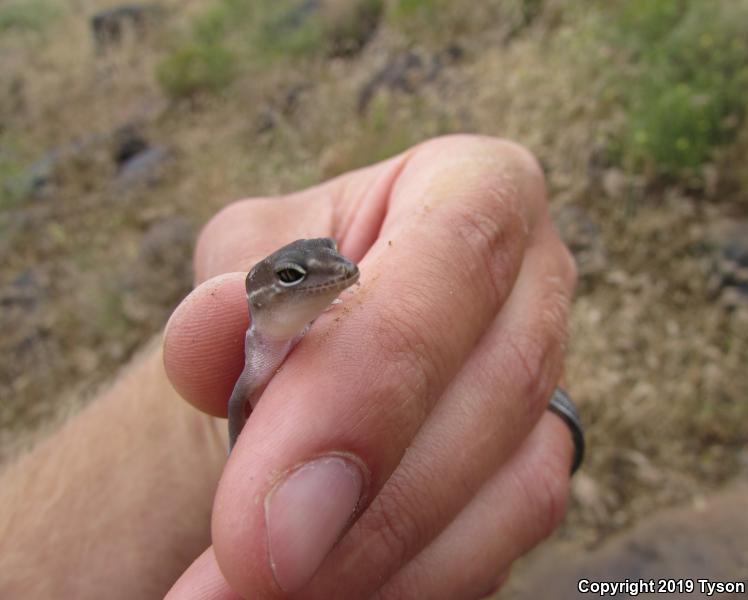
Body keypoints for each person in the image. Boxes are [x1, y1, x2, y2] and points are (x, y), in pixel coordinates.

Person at [0, 135, 579, 599]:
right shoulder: (253, 353)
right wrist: (238, 460)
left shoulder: (316, 321)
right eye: (295, 278)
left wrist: (538, 388)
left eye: (321, 262)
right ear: (262, 296)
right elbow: (234, 405)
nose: (336, 272)